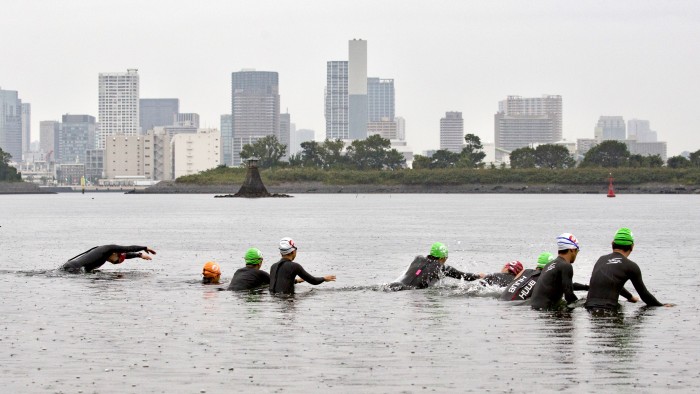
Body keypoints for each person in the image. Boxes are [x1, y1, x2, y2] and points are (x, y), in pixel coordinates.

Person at [585, 228, 673, 312]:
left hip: (588, 307)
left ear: (612, 244)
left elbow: (611, 282)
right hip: (609, 309)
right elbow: (644, 295)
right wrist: (661, 306)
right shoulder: (631, 266)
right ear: (632, 246)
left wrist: (630, 297)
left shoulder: (601, 260)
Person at [390, 242, 480, 290]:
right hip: (410, 290)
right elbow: (465, 276)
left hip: (393, 286)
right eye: (446, 258)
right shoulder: (443, 268)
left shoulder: (418, 259)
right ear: (443, 258)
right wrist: (479, 276)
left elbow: (418, 272)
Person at [529, 233, 581, 310]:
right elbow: (569, 296)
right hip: (546, 310)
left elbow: (566, 286)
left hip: (534, 309)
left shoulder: (549, 265)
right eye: (577, 251)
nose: (576, 254)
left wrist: (588, 287)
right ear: (572, 250)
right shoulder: (566, 266)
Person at [269, 238, 336, 295]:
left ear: (281, 253)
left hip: (273, 300)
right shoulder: (294, 266)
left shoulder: (273, 266)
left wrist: (296, 281)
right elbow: (313, 281)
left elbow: (278, 282)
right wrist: (324, 278)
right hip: (287, 300)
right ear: (293, 251)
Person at [60, 244, 156, 273]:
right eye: (115, 262)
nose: (111, 262)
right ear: (115, 254)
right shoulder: (108, 249)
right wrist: (144, 248)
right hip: (74, 269)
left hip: (73, 267)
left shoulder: (106, 254)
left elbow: (125, 255)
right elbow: (126, 249)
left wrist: (139, 255)